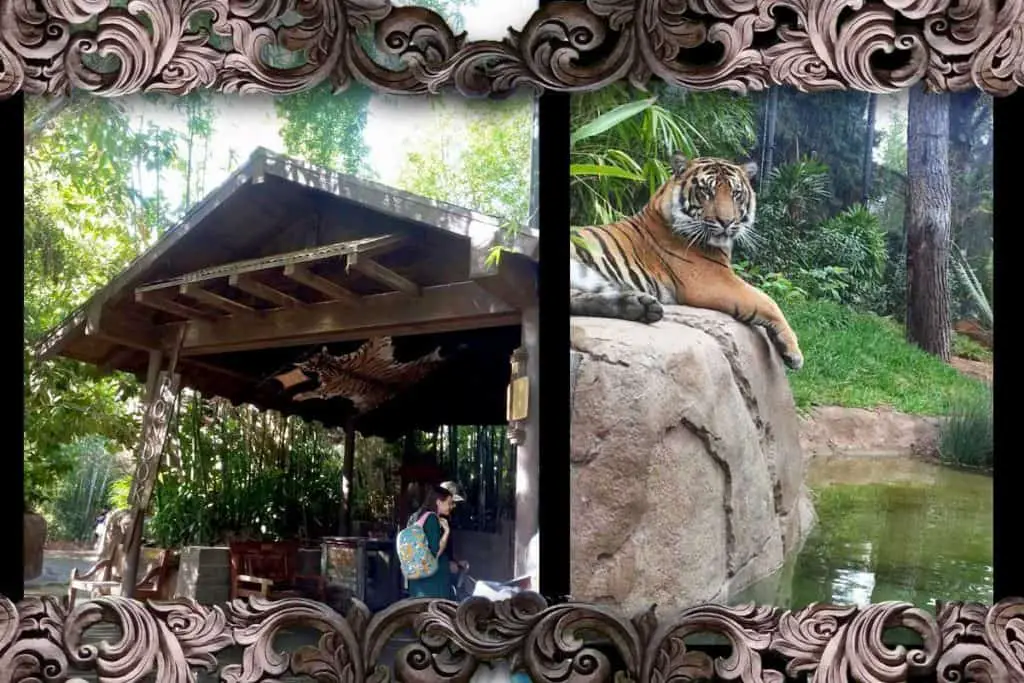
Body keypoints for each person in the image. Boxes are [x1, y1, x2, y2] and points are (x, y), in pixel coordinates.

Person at [405, 484, 455, 599]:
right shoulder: (432, 519)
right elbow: (435, 552)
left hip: (420, 584)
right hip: (432, 586)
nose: (451, 506)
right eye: (449, 503)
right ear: (438, 502)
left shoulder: (419, 517)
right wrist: (446, 532)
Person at [439, 481, 470, 595]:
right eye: (451, 502)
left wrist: (456, 562)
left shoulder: (446, 520)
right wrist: (446, 565)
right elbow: (428, 556)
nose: (454, 506)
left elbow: (446, 551)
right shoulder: (431, 521)